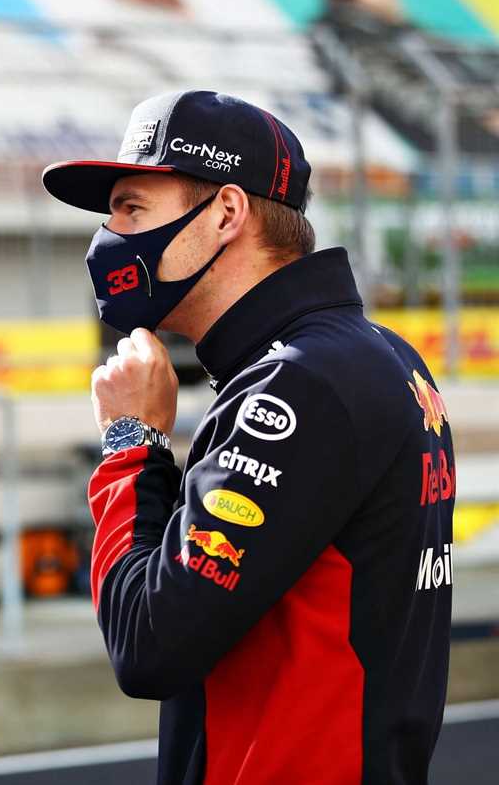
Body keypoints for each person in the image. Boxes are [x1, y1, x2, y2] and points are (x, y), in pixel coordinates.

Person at [42, 90, 452, 784]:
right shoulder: (378, 355)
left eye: (132, 206)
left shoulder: (297, 384)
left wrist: (130, 439)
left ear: (226, 213)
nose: (107, 233)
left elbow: (147, 643)